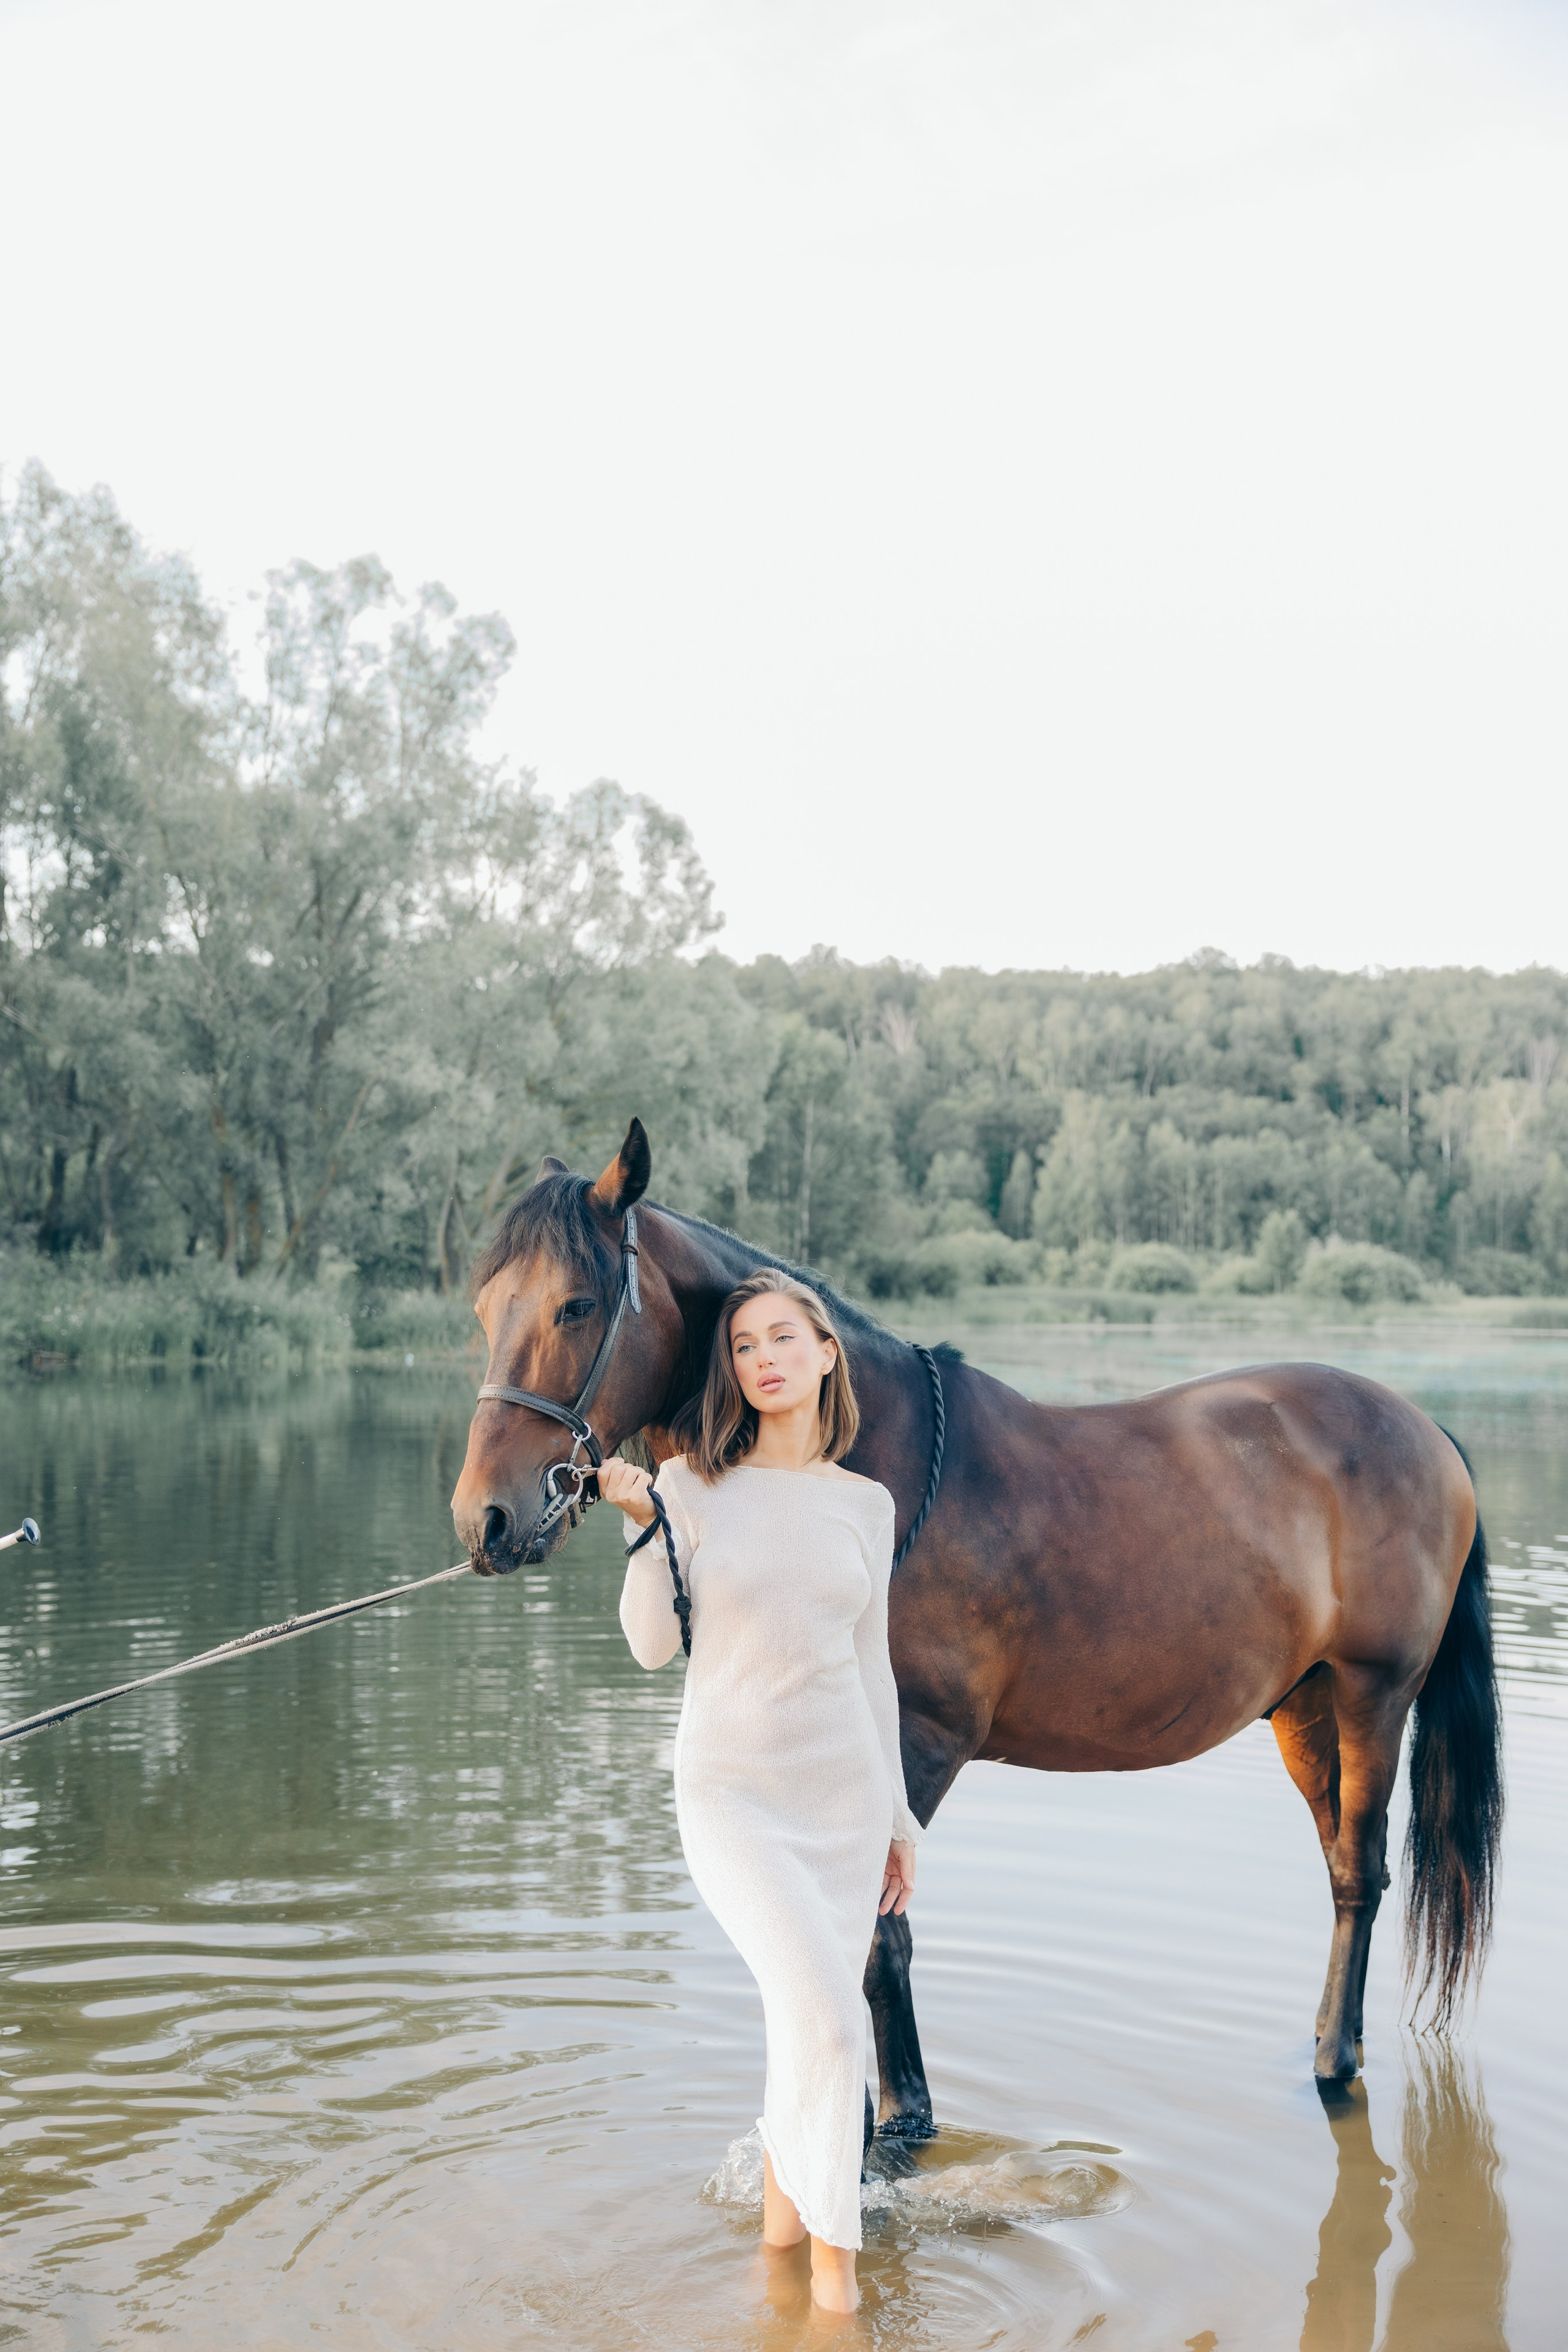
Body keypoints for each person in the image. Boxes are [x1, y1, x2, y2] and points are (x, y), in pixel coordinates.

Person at [599, 1267, 921, 2315]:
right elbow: (653, 1649)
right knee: (834, 2027)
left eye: (783, 1338)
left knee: (804, 2029)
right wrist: (649, 1527)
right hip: (734, 1797)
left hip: (844, 1802)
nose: (764, 1358)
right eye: (743, 1346)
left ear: (828, 1352)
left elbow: (870, 1665)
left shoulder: (865, 1506)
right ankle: (837, 2293)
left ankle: (776, 2263)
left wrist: (902, 1817)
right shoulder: (689, 1486)